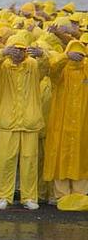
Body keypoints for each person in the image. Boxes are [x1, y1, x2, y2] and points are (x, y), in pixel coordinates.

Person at [0, 34, 50, 210]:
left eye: (21, 49)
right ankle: (3, 197)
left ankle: (29, 197)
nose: (17, 52)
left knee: (29, 161)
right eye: (14, 49)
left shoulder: (33, 65)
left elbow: (46, 69)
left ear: (26, 51)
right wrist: (1, 53)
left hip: (29, 122)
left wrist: (42, 54)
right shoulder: (2, 66)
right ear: (9, 49)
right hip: (7, 122)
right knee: (5, 161)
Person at [42, 40, 88, 197]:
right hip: (60, 123)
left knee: (81, 156)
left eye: (80, 53)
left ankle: (80, 193)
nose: (77, 56)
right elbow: (52, 68)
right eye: (74, 52)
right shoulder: (61, 72)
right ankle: (61, 194)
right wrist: (65, 56)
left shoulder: (86, 70)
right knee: (60, 156)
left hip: (82, 123)